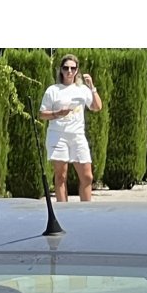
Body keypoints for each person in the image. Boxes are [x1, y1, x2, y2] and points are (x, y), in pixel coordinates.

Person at [39, 54, 102, 202]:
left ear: (77, 70)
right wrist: (58, 113)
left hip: (77, 136)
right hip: (58, 135)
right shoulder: (53, 90)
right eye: (66, 68)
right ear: (61, 70)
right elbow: (42, 114)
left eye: (73, 68)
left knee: (87, 176)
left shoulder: (82, 89)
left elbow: (97, 107)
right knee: (61, 175)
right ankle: (63, 210)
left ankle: (86, 211)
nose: (69, 71)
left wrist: (92, 87)